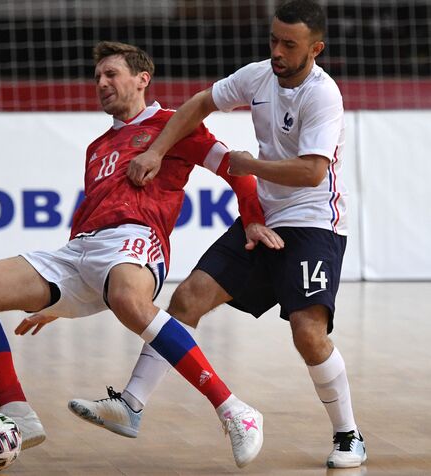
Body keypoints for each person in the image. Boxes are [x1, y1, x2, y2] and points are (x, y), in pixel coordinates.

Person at [51, 1, 367, 470]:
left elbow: (312, 171)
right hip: (264, 217)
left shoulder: (324, 96)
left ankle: (349, 434)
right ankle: (130, 405)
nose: (277, 51)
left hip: (314, 222)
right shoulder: (259, 75)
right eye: (273, 39)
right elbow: (200, 103)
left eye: (289, 44)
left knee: (307, 333)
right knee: (186, 302)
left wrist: (249, 165)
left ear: (315, 49)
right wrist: (158, 150)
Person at [0, 40, 283, 469]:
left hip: (136, 238)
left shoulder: (172, 125)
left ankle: (234, 409)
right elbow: (89, 215)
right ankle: (18, 412)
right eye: (97, 78)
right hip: (80, 249)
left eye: (111, 74)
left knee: (129, 300)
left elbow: (237, 170)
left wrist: (253, 219)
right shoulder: (97, 147)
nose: (101, 83)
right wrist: (59, 300)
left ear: (142, 79)